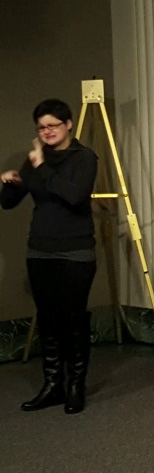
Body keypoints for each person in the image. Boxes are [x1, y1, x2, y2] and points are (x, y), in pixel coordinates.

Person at [1, 99, 98, 414]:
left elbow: (74, 196)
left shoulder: (84, 158)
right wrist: (11, 184)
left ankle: (75, 386)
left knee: (73, 318)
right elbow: (10, 203)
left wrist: (41, 167)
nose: (47, 132)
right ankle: (53, 384)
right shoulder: (35, 160)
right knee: (48, 319)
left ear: (68, 124)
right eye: (42, 127)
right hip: (40, 249)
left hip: (76, 251)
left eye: (53, 125)